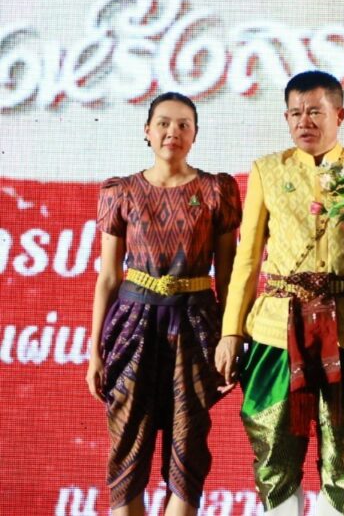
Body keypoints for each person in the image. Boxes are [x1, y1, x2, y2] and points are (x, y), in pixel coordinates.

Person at [215, 70, 344, 516]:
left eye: (315, 111)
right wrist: (231, 332)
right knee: (274, 453)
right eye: (295, 113)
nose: (305, 121)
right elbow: (247, 259)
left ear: (340, 114)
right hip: (277, 329)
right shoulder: (267, 170)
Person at [86, 92, 241, 516]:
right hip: (132, 326)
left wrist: (232, 339)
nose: (173, 132)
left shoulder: (216, 190)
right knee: (127, 444)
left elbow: (228, 277)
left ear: (195, 134)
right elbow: (108, 278)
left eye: (183, 125)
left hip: (195, 324)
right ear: (147, 131)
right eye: (164, 123)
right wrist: (94, 352)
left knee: (189, 447)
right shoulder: (121, 191)